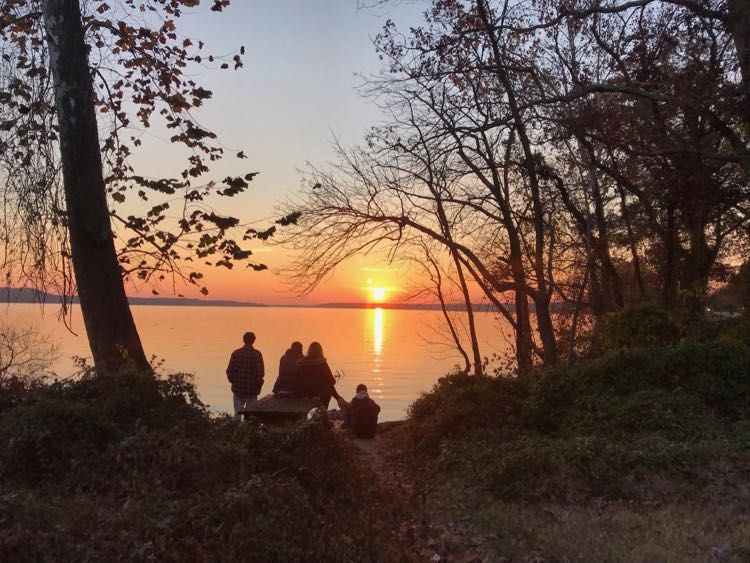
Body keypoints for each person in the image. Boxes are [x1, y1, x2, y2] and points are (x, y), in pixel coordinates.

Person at [226, 331, 264, 421]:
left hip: (238, 389)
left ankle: (235, 431)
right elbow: (260, 373)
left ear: (243, 340)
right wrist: (258, 385)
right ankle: (248, 432)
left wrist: (234, 382)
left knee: (237, 413)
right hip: (252, 390)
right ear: (254, 341)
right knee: (251, 415)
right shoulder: (257, 354)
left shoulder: (236, 353)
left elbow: (229, 371)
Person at [296, 341, 344, 409]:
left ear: (309, 351)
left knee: (326, 384)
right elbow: (331, 381)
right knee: (328, 386)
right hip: (319, 394)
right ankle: (333, 404)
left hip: (304, 393)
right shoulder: (322, 363)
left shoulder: (300, 364)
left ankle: (339, 399)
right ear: (321, 351)